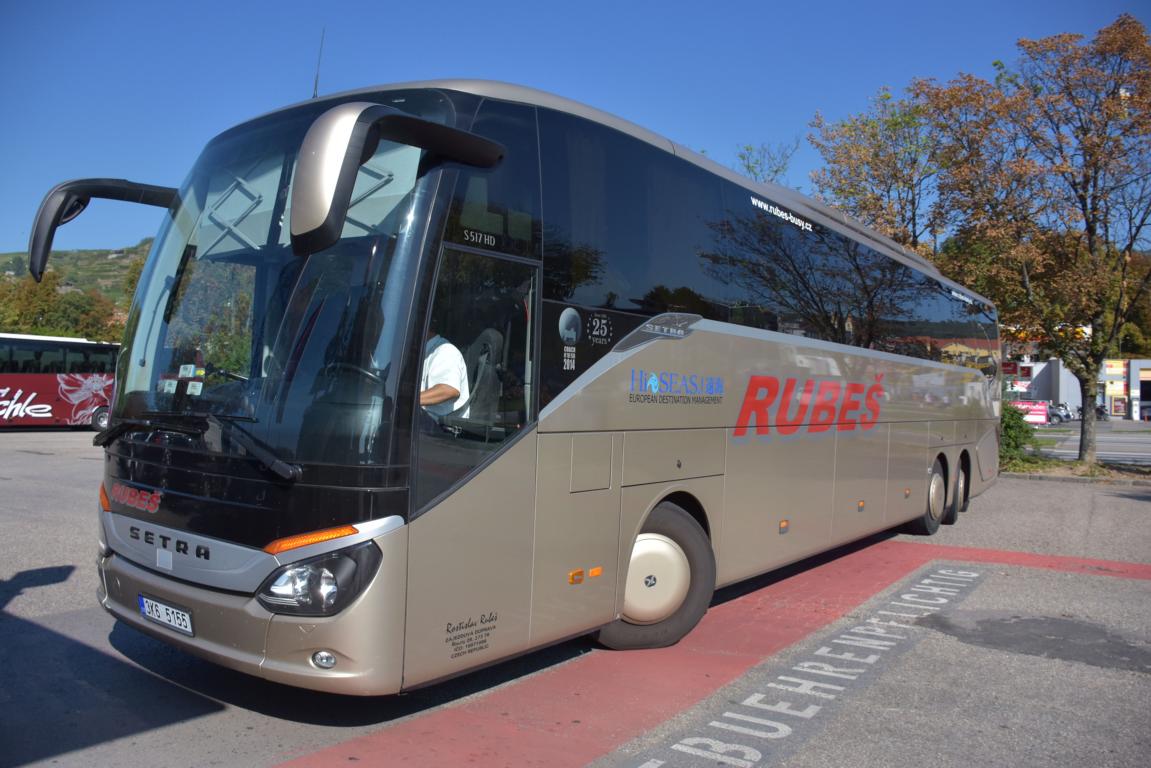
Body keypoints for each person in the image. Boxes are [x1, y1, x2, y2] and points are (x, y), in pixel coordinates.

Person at [420, 330, 469, 419]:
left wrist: (409, 400)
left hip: (442, 428)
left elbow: (449, 390)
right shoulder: (420, 354)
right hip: (424, 422)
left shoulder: (445, 349)